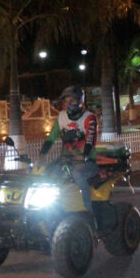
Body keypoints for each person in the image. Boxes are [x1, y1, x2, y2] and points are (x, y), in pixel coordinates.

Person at [40, 86, 100, 229]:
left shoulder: (90, 118)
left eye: (72, 100)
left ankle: (89, 215)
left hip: (87, 162)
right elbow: (52, 137)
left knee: (77, 174)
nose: (69, 104)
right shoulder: (61, 116)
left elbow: (91, 140)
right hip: (66, 161)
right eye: (66, 101)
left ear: (80, 101)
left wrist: (84, 156)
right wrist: (42, 155)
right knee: (47, 174)